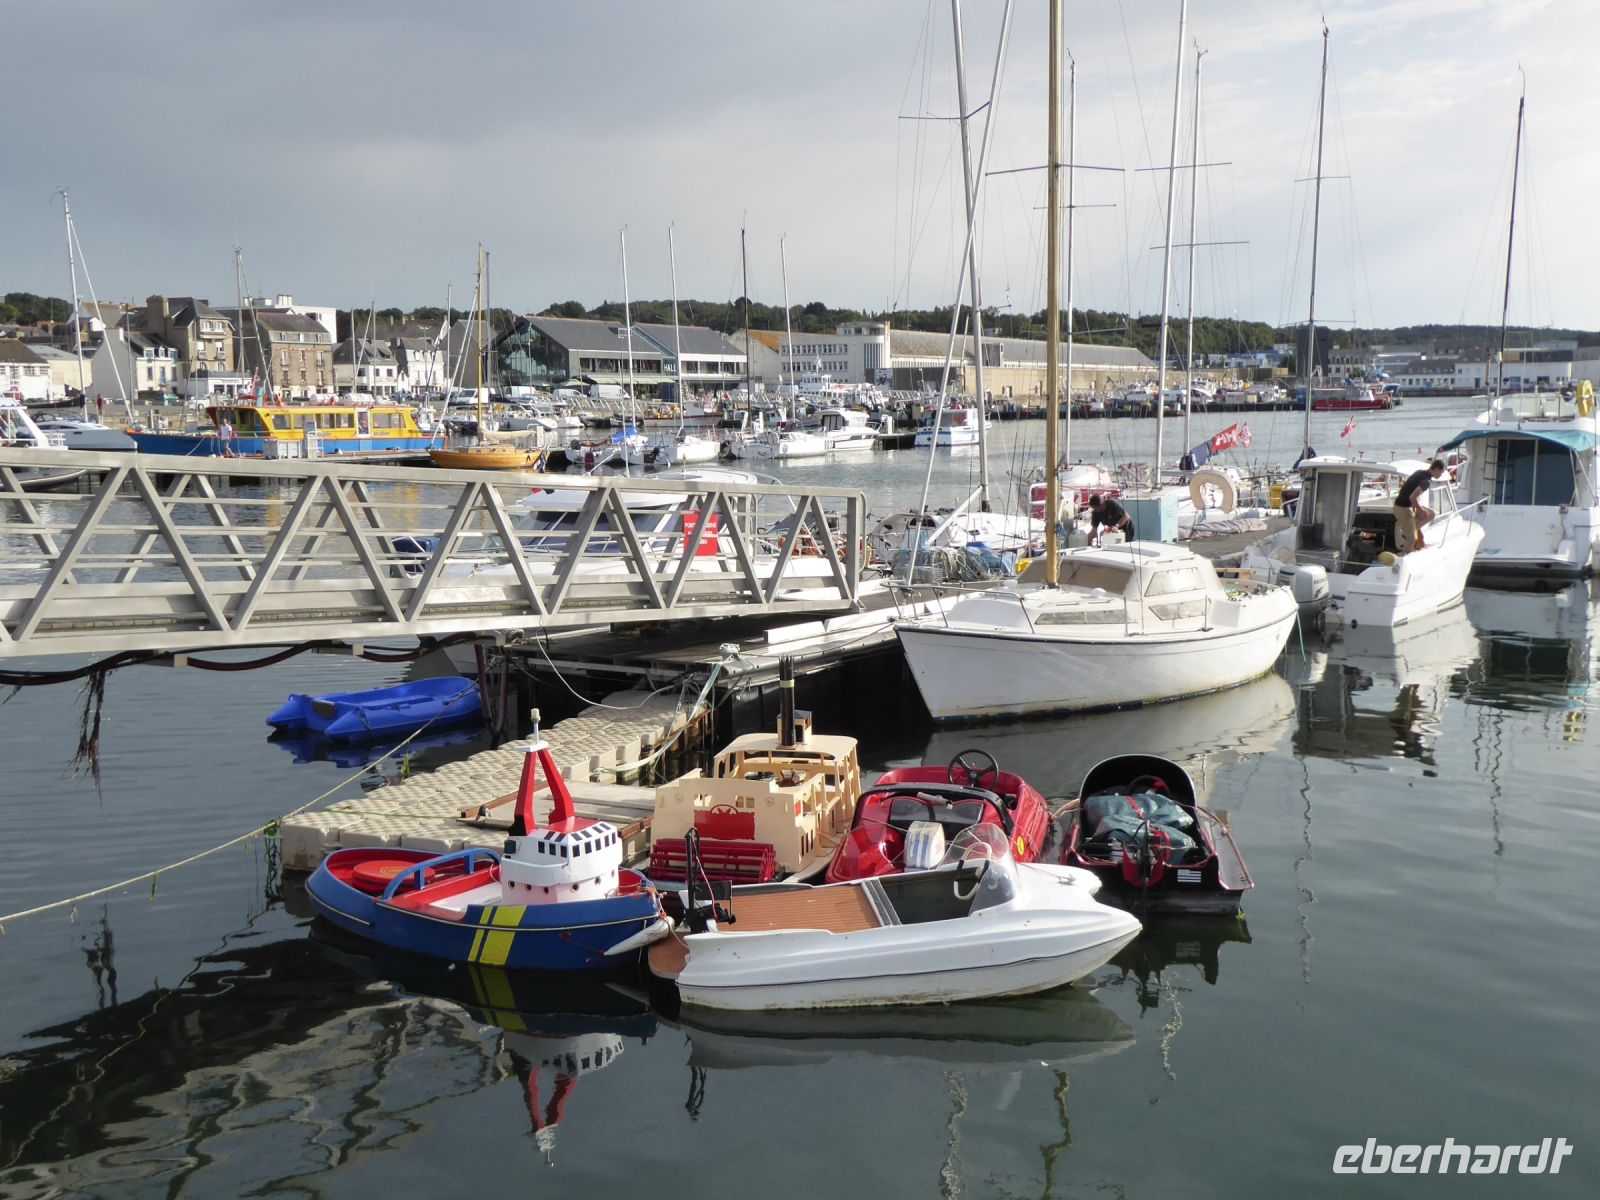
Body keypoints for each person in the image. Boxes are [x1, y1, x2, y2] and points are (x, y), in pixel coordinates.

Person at [1392, 458, 1445, 552]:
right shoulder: (1427, 482)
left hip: (1403, 505)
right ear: (1436, 469)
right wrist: (1421, 511)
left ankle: (1412, 531)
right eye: (1441, 472)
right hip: (1403, 508)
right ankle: (1406, 557)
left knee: (1431, 514)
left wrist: (1421, 509)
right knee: (1412, 539)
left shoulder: (1419, 472)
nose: (1440, 475)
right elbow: (1412, 497)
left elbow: (1411, 491)